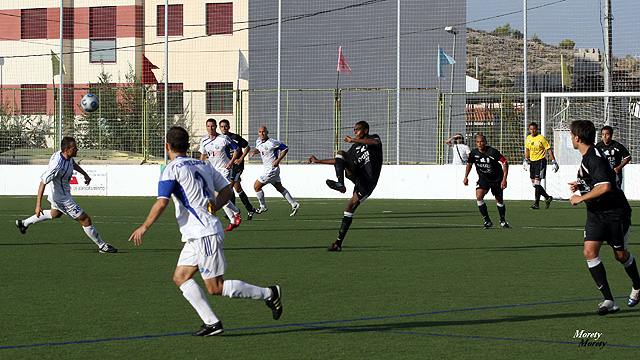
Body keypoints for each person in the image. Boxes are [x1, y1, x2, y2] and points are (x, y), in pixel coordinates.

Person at [128, 126, 283, 336]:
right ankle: (211, 323)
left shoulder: (171, 169)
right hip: (196, 235)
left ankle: (269, 293)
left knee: (215, 287)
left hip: (204, 234)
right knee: (181, 277)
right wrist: (214, 207)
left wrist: (144, 227)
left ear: (167, 147)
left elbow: (162, 202)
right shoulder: (204, 165)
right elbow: (228, 191)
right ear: (187, 146)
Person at [567, 120, 640, 315]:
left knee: (620, 255)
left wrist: (580, 197)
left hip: (615, 213)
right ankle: (609, 300)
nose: (571, 137)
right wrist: (581, 184)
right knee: (589, 252)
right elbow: (599, 180)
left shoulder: (593, 158)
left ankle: (638, 285)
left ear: (577, 138)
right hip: (596, 214)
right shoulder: (590, 155)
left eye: (571, 134)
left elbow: (605, 186)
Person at [15, 136, 117, 253]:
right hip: (62, 199)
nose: (77, 149)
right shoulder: (57, 166)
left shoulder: (65, 156)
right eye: (74, 148)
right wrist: (38, 205)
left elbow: (73, 164)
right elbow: (43, 182)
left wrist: (85, 174)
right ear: (66, 150)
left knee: (55, 214)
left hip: (58, 195)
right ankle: (102, 245)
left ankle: (23, 223)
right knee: (85, 220)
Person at [308, 121, 382, 252]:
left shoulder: (374, 138)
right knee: (341, 153)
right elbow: (339, 160)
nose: (355, 132)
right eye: (354, 130)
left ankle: (337, 243)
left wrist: (353, 140)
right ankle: (340, 184)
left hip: (368, 181)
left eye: (358, 130)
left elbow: (375, 143)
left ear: (365, 130)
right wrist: (318, 161)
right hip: (357, 175)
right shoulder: (355, 147)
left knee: (350, 207)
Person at [199, 118, 242, 231]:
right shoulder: (204, 140)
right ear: (206, 127)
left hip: (225, 170)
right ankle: (234, 216)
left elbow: (236, 149)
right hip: (213, 170)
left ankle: (211, 217)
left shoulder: (223, 138)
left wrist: (231, 163)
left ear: (216, 127)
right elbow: (203, 156)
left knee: (218, 195)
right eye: (208, 126)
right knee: (223, 196)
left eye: (212, 126)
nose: (210, 128)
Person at [249, 126, 300, 216]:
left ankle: (263, 206)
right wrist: (254, 152)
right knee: (279, 188)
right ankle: (294, 204)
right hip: (268, 169)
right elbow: (258, 148)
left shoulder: (272, 142)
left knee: (256, 186)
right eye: (260, 132)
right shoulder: (258, 140)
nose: (262, 133)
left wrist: (278, 160)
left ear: (267, 132)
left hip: (272, 170)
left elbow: (285, 148)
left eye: (264, 132)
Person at [463, 134, 509, 229]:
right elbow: (469, 164)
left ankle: (502, 220)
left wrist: (504, 179)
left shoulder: (493, 152)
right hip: (483, 179)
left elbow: (504, 162)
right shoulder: (474, 153)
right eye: (478, 142)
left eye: (482, 141)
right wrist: (466, 177)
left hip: (496, 179)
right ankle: (487, 221)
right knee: (479, 196)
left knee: (499, 200)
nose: (480, 144)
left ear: (486, 142)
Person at [218, 119, 258, 220]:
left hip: (237, 166)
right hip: (228, 166)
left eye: (225, 126)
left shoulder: (235, 137)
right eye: (222, 126)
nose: (224, 128)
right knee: (237, 188)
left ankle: (233, 212)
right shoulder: (220, 139)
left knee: (229, 186)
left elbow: (247, 147)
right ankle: (250, 209)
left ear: (229, 127)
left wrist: (240, 158)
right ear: (220, 128)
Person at [523, 122, 558, 210]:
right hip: (533, 162)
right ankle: (547, 197)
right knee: (534, 184)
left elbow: (549, 149)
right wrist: (525, 160)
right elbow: (527, 149)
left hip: (540, 161)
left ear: (537, 129)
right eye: (531, 129)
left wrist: (553, 161)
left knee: (537, 183)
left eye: (534, 129)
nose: (532, 131)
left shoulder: (541, 138)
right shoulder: (528, 138)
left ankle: (536, 204)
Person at [595, 125, 631, 190]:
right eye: (603, 134)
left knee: (615, 192)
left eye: (607, 134)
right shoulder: (598, 146)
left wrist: (619, 167)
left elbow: (628, 157)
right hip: (604, 173)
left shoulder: (617, 146)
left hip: (615, 174)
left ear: (611, 135)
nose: (604, 137)